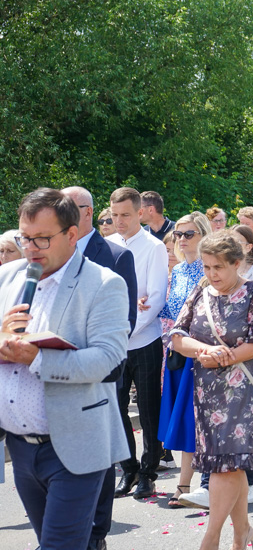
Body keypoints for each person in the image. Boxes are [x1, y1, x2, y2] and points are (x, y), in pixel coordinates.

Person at [0, 188, 130, 550]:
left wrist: (35, 358)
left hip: (75, 443)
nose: (31, 249)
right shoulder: (6, 277)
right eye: (25, 238)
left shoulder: (104, 284)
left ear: (72, 234)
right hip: (19, 446)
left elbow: (107, 359)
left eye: (42, 238)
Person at [170, 231, 253, 550]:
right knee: (229, 463)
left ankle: (211, 538)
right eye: (206, 267)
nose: (211, 274)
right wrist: (205, 350)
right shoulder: (201, 292)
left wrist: (223, 356)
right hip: (208, 391)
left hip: (246, 389)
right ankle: (242, 533)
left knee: (228, 463)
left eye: (218, 267)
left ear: (236, 263)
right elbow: (178, 336)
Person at [62, 186, 138, 550]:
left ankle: (96, 532)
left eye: (67, 208)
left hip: (97, 370)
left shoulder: (115, 256)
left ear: (88, 212)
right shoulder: (48, 256)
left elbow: (126, 319)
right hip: (53, 374)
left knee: (98, 451)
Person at [107, 187, 169, 499]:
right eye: (114, 215)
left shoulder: (153, 247)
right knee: (116, 408)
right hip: (114, 343)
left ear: (140, 213)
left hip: (144, 339)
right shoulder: (107, 246)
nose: (119, 221)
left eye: (125, 215)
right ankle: (128, 468)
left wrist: (129, 326)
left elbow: (155, 296)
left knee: (147, 410)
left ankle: (148, 472)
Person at [157, 213, 211, 508]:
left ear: (203, 235)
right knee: (182, 419)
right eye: (178, 234)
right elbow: (168, 314)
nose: (181, 239)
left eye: (188, 234)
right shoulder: (176, 272)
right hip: (175, 353)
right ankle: (187, 482)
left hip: (200, 352)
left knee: (194, 419)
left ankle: (188, 484)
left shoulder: (210, 268)